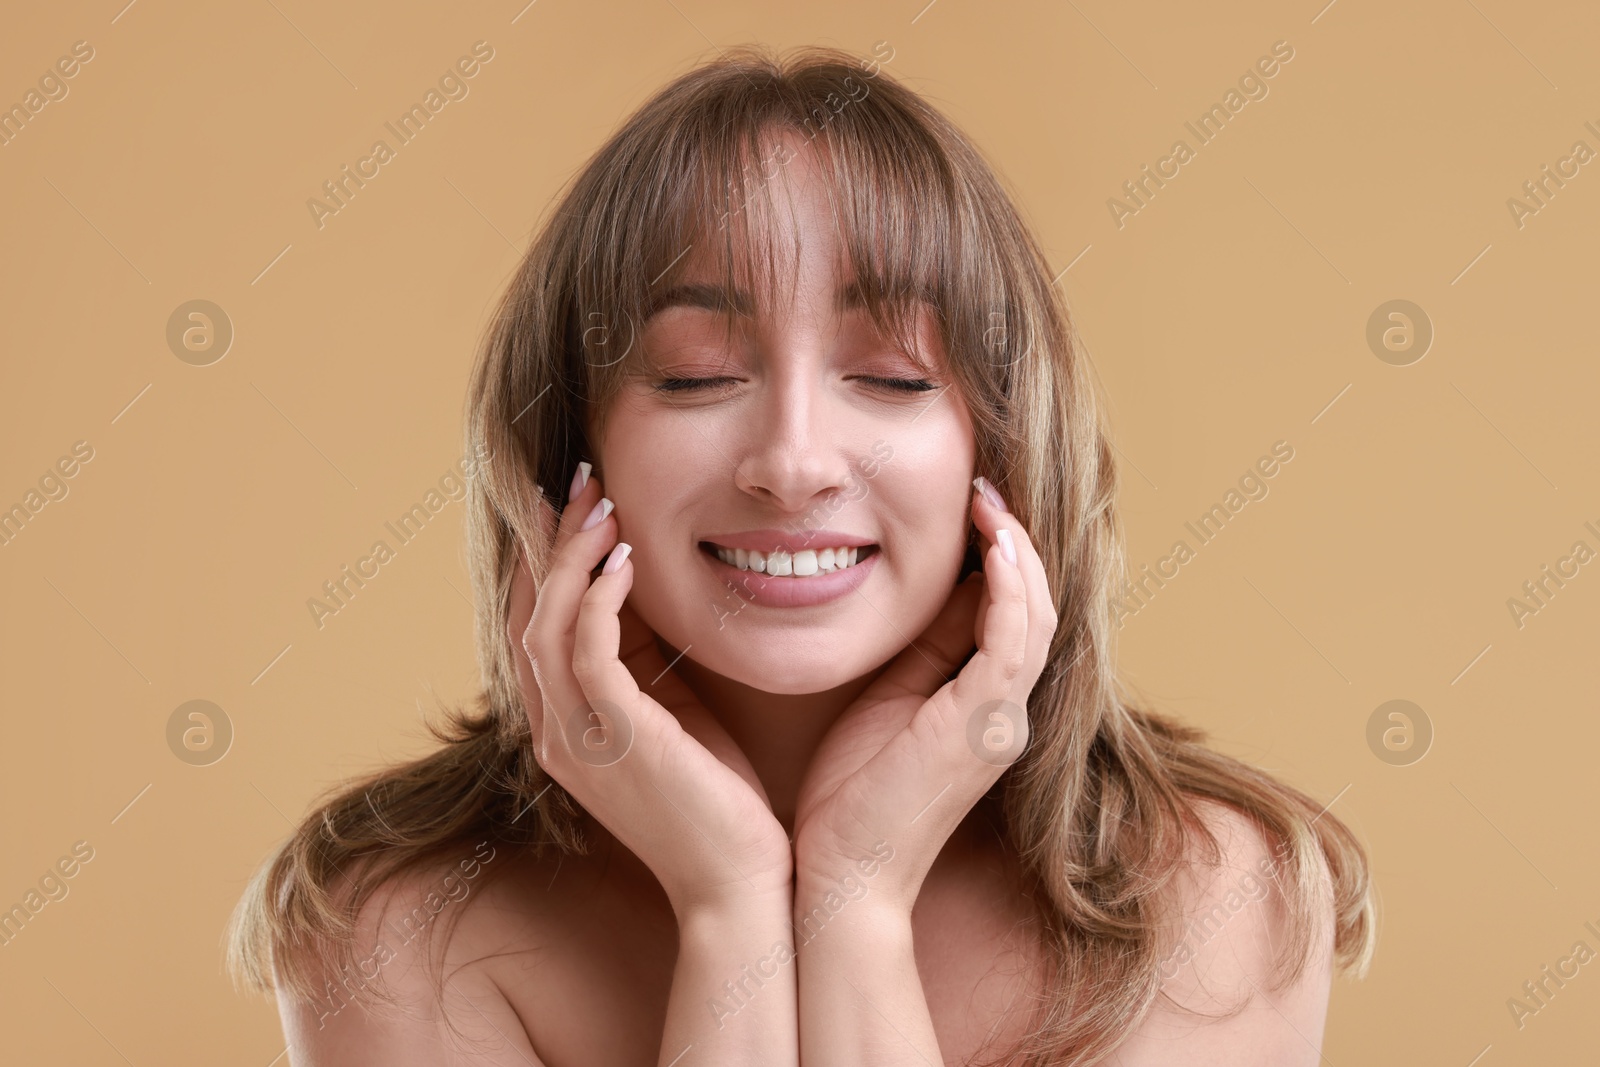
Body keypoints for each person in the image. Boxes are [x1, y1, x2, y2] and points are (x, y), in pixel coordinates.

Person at [227, 43, 1375, 1066]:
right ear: (572, 455)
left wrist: (853, 902)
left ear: (1006, 452)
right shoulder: (395, 929)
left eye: (890, 376)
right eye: (691, 374)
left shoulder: (1213, 895)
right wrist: (728, 903)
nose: (791, 460)